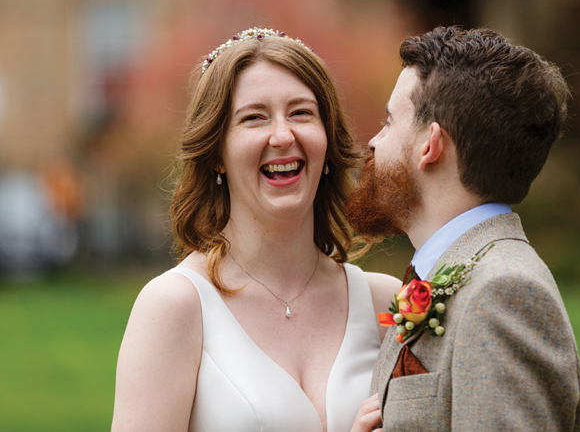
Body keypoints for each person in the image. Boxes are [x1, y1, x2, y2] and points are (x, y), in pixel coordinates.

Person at [112, 27, 400, 432]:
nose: (283, 136)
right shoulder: (175, 307)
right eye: (254, 118)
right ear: (216, 155)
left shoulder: (385, 303)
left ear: (327, 141)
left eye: (301, 113)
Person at [346, 26, 580, 431]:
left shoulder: (502, 292)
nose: (373, 141)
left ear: (430, 144)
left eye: (389, 122)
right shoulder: (465, 276)